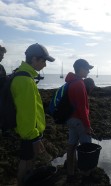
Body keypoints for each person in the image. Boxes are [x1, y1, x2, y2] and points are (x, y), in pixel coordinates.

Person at [10, 43, 55, 186]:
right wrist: (34, 138)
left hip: (29, 131)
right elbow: (26, 113)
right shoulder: (25, 80)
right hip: (29, 132)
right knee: (25, 161)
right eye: (44, 61)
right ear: (34, 59)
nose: (45, 65)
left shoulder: (23, 75)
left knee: (28, 160)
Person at [65, 59, 94, 182]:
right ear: (81, 68)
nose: (88, 71)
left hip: (70, 119)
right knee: (86, 148)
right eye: (87, 69)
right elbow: (82, 108)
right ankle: (86, 175)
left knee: (71, 146)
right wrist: (87, 126)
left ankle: (70, 173)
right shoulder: (80, 84)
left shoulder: (70, 82)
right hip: (79, 121)